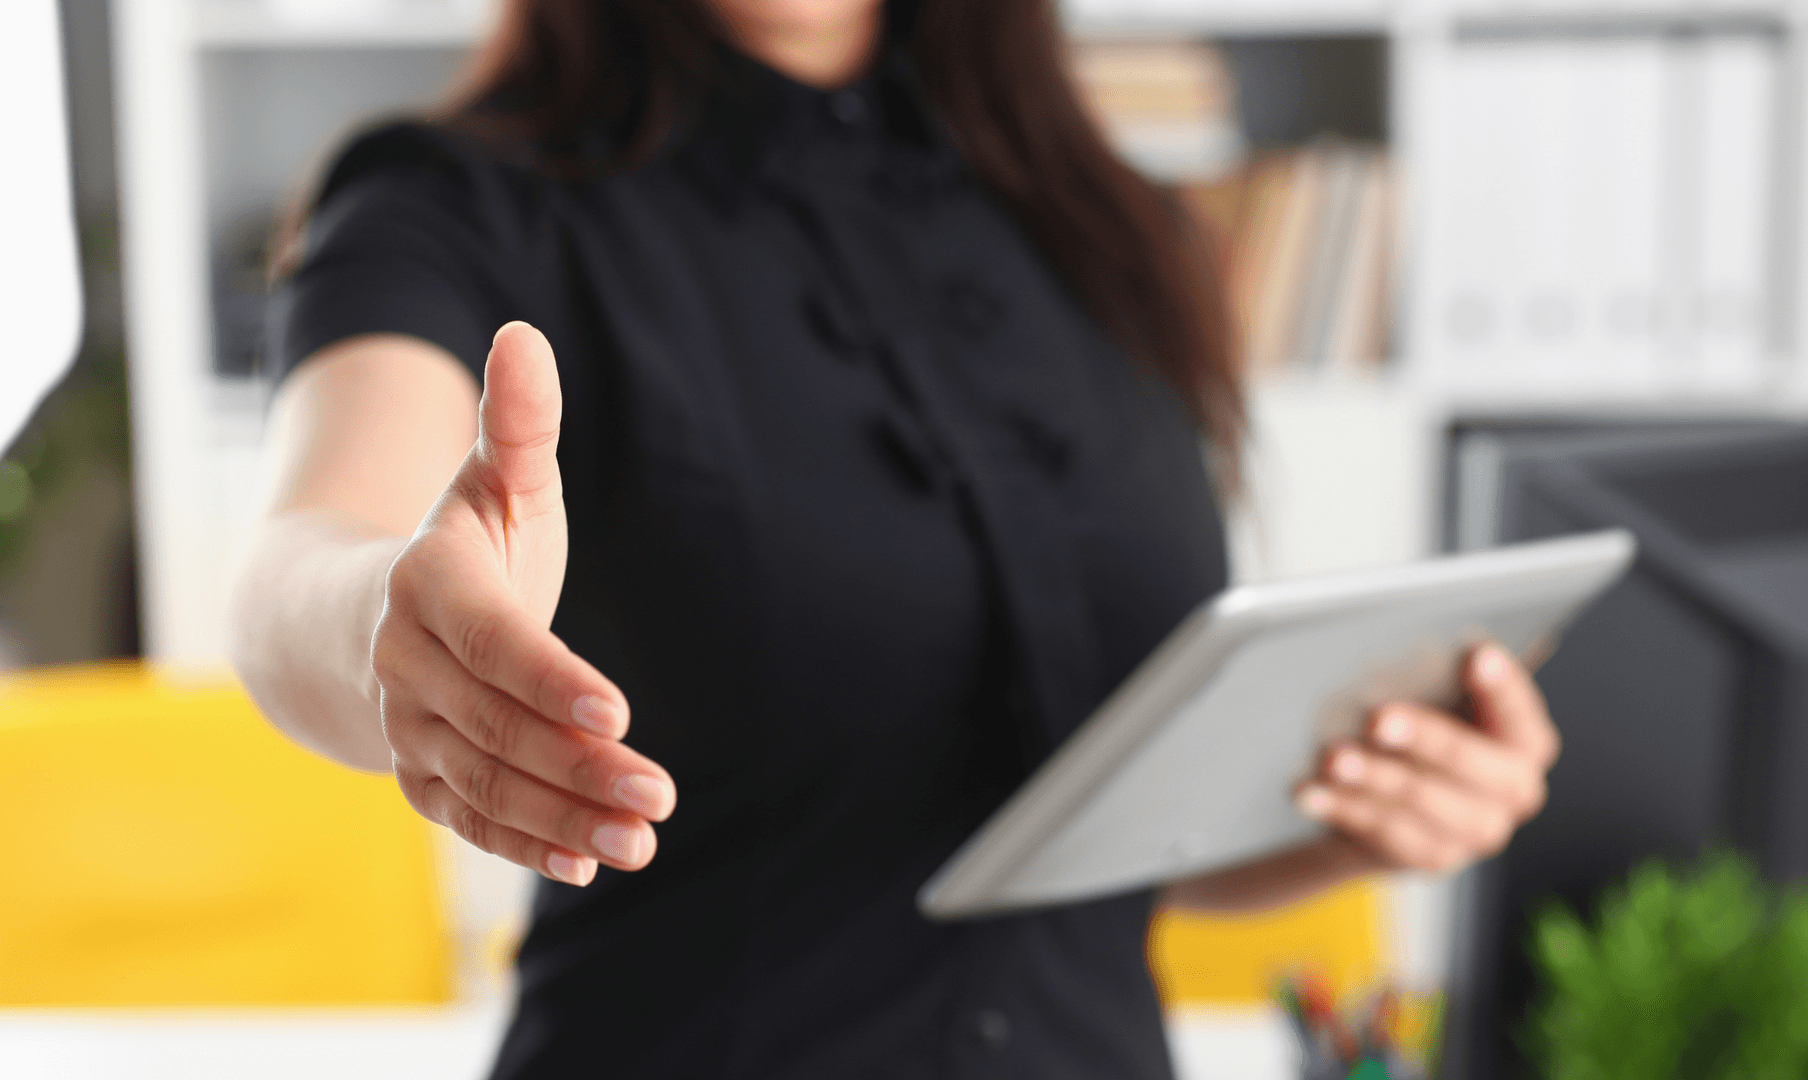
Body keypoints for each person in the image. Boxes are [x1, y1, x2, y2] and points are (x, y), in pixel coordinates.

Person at [230, 0, 1562, 1076]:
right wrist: (391, 629)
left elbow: (1094, 829)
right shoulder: (451, 200)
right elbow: (303, 557)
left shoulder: (1117, 230)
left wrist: (1369, 814)